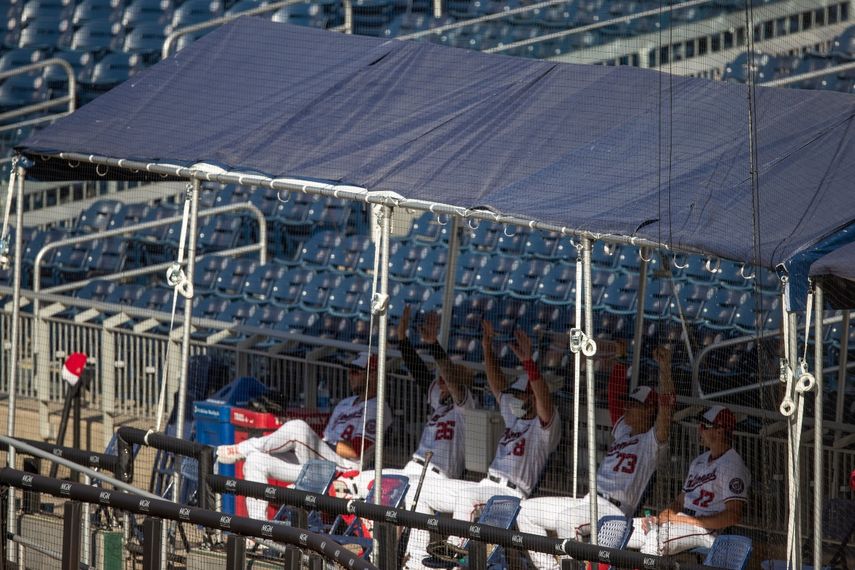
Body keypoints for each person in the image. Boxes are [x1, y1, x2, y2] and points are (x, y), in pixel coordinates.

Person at [405, 321, 561, 568]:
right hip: (486, 486)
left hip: (510, 494)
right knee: (420, 491)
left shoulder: (544, 429)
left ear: (532, 397)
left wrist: (528, 363)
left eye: (520, 395)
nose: (514, 398)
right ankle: (414, 562)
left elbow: (544, 400)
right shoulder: (514, 417)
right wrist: (487, 347)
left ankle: (451, 558)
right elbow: (497, 385)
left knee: (468, 498)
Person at [516, 345, 676, 570]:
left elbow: (666, 408)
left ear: (650, 410)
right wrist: (620, 361)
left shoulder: (653, 442)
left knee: (566, 521)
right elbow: (614, 397)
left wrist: (665, 369)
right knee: (526, 511)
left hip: (614, 511)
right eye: (628, 403)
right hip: (589, 502)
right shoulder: (623, 430)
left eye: (634, 405)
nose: (626, 407)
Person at [347, 306, 475, 569]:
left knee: (405, 494)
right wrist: (402, 337)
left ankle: (405, 561)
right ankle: (375, 551)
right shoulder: (438, 402)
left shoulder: (466, 406)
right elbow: (418, 370)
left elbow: (451, 377)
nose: (441, 381)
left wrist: (433, 345)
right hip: (413, 470)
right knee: (363, 481)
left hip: (438, 477)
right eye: (441, 378)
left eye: (447, 378)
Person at [215, 351, 393, 520]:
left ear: (373, 376)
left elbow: (355, 450)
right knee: (255, 460)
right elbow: (325, 437)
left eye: (356, 372)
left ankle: (243, 448)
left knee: (298, 428)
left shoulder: (378, 408)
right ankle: (258, 530)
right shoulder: (345, 403)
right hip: (318, 463)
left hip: (344, 469)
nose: (350, 376)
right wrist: (311, 445)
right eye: (350, 371)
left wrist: (313, 443)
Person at [628, 405, 750, 556]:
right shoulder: (699, 461)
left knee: (654, 542)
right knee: (624, 528)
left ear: (719, 431)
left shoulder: (733, 465)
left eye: (704, 426)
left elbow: (733, 515)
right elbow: (679, 502)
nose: (699, 430)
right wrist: (661, 517)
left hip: (705, 530)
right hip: (681, 521)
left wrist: (687, 520)